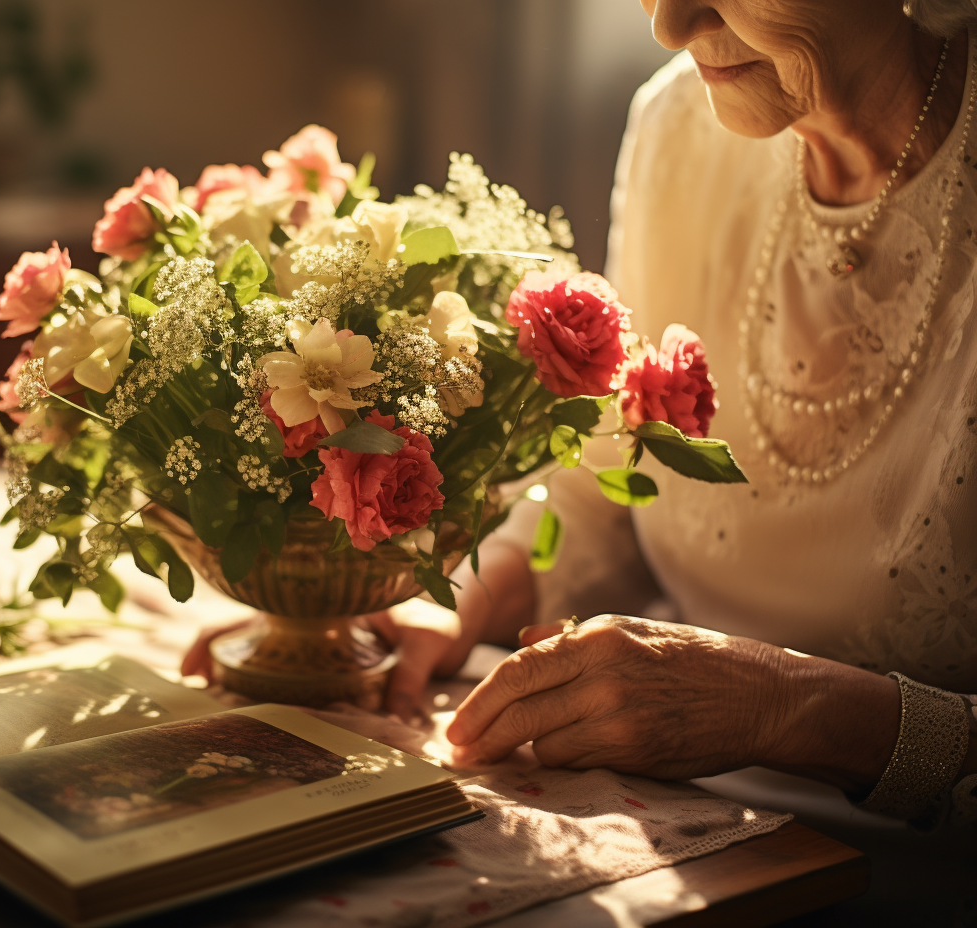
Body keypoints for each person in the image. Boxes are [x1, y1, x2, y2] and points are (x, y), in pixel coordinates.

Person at [187, 0, 977, 829]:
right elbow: (604, 493)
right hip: (678, 809)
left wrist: (783, 707)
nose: (670, 24)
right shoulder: (682, 122)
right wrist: (458, 599)